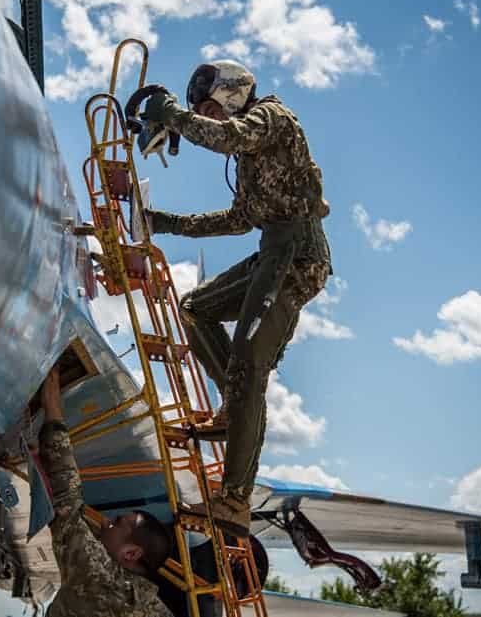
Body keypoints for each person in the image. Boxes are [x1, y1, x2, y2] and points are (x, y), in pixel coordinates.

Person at [141, 60, 332, 539]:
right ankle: (234, 406)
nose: (214, 119)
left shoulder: (273, 119)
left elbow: (229, 138)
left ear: (231, 93)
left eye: (211, 109)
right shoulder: (249, 151)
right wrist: (165, 222)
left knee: (249, 368)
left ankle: (234, 500)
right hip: (272, 253)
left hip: (296, 259)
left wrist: (172, 116)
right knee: (194, 308)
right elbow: (240, 218)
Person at [38, 366, 175, 617]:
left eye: (116, 524)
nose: (105, 522)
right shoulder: (155, 610)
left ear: (131, 553)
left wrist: (53, 411)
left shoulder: (100, 579)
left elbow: (66, 506)